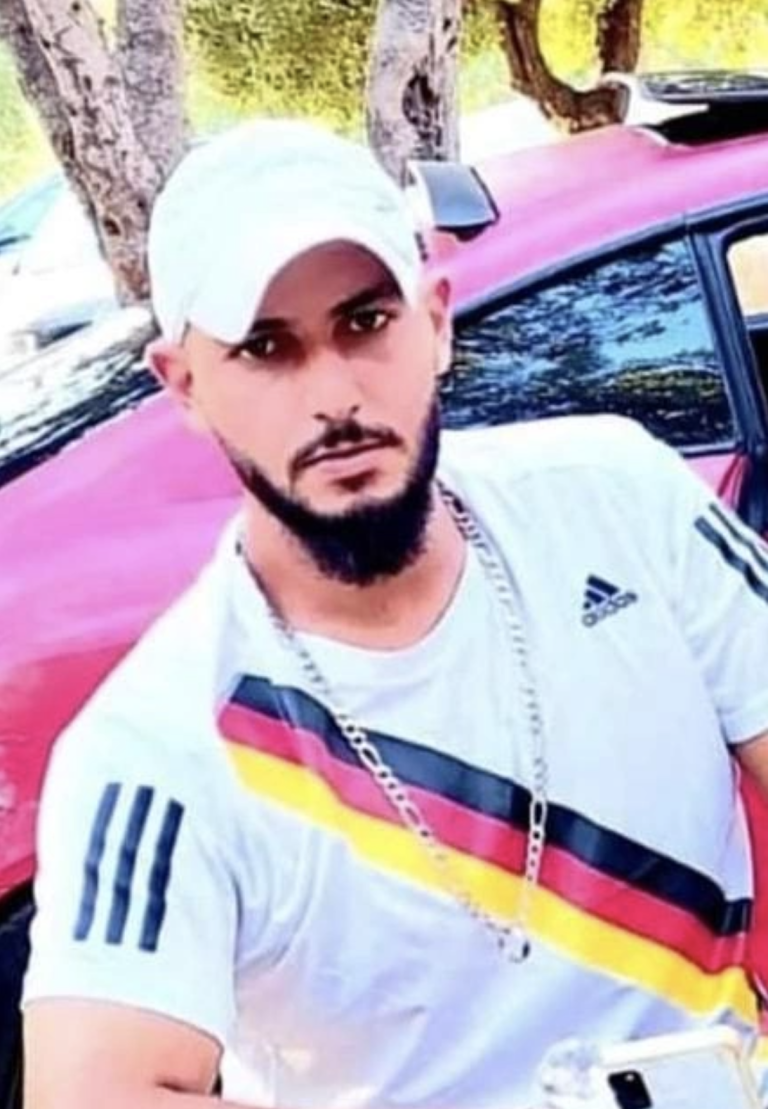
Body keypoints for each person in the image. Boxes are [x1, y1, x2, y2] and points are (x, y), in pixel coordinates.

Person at [21, 118, 768, 1109]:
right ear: (186, 385)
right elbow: (92, 1093)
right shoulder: (156, 745)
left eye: (365, 323)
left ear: (437, 321)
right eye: (266, 348)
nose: (333, 395)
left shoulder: (620, 499)